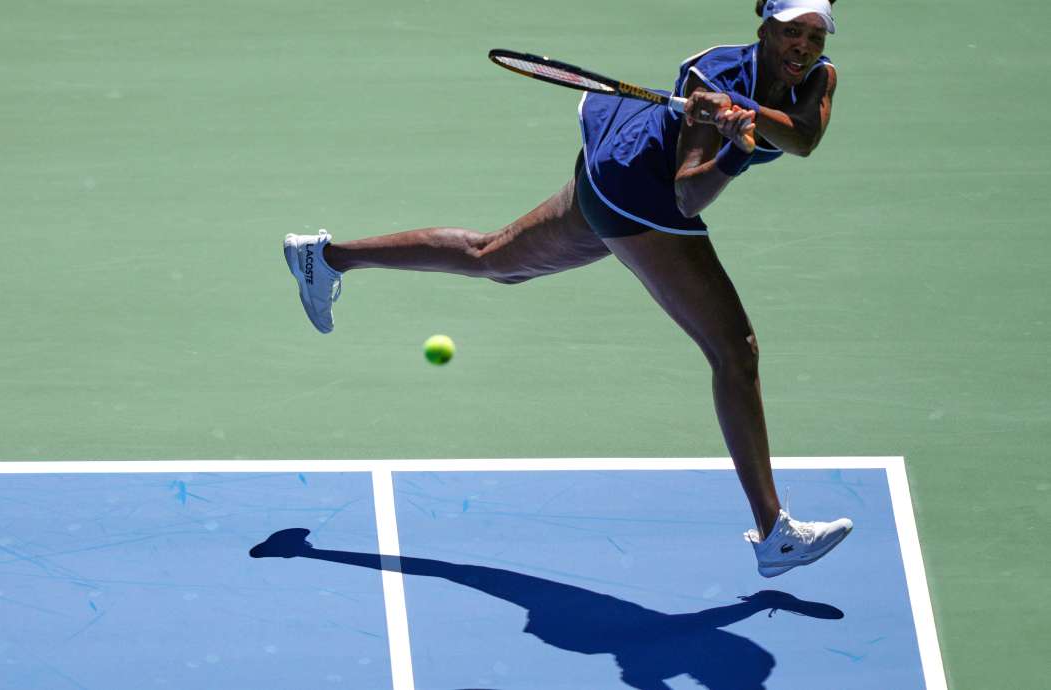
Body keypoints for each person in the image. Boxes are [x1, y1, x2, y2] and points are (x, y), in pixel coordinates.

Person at [282, 0, 851, 578]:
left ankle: (324, 259)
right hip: (639, 190)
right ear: (764, 28)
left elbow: (803, 138)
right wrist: (730, 147)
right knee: (736, 351)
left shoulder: (816, 80)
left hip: (618, 173)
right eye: (790, 32)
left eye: (814, 35)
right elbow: (688, 197)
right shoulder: (712, 79)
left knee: (493, 257)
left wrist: (742, 115)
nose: (802, 46)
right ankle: (774, 530)